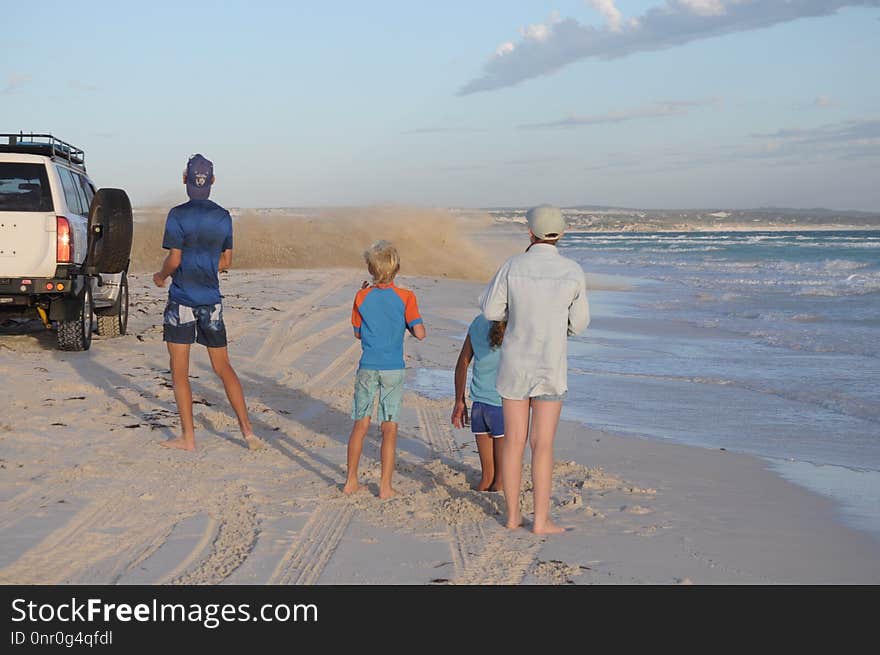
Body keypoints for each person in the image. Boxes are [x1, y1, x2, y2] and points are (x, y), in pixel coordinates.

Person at [479, 205, 589, 534]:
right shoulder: (572, 270)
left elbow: (489, 310)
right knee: (543, 445)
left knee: (514, 442)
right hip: (551, 365)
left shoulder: (513, 265)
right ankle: (541, 520)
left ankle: (513, 516)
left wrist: (515, 316)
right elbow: (580, 324)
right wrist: (559, 328)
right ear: (562, 234)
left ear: (530, 233)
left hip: (515, 364)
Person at [153, 154, 263, 452]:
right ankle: (248, 431)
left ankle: (188, 438)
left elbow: (174, 259)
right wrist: (205, 265)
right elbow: (226, 261)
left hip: (182, 301)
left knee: (179, 372)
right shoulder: (223, 216)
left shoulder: (177, 214)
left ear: (184, 179)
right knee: (223, 366)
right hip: (211, 301)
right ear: (212, 181)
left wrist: (161, 275)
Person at [343, 240, 426, 498]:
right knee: (389, 428)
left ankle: (351, 481)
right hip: (393, 369)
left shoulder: (361, 296)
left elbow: (358, 333)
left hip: (368, 366)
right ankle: (385, 486)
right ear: (397, 268)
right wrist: (408, 325)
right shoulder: (406, 297)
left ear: (370, 268)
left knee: (360, 424)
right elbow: (420, 333)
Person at [451, 316, 507, 491]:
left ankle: (482, 490)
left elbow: (462, 364)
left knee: (487, 477)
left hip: (479, 405)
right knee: (500, 480)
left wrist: (459, 401)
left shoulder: (477, 322)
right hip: (502, 403)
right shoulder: (514, 324)